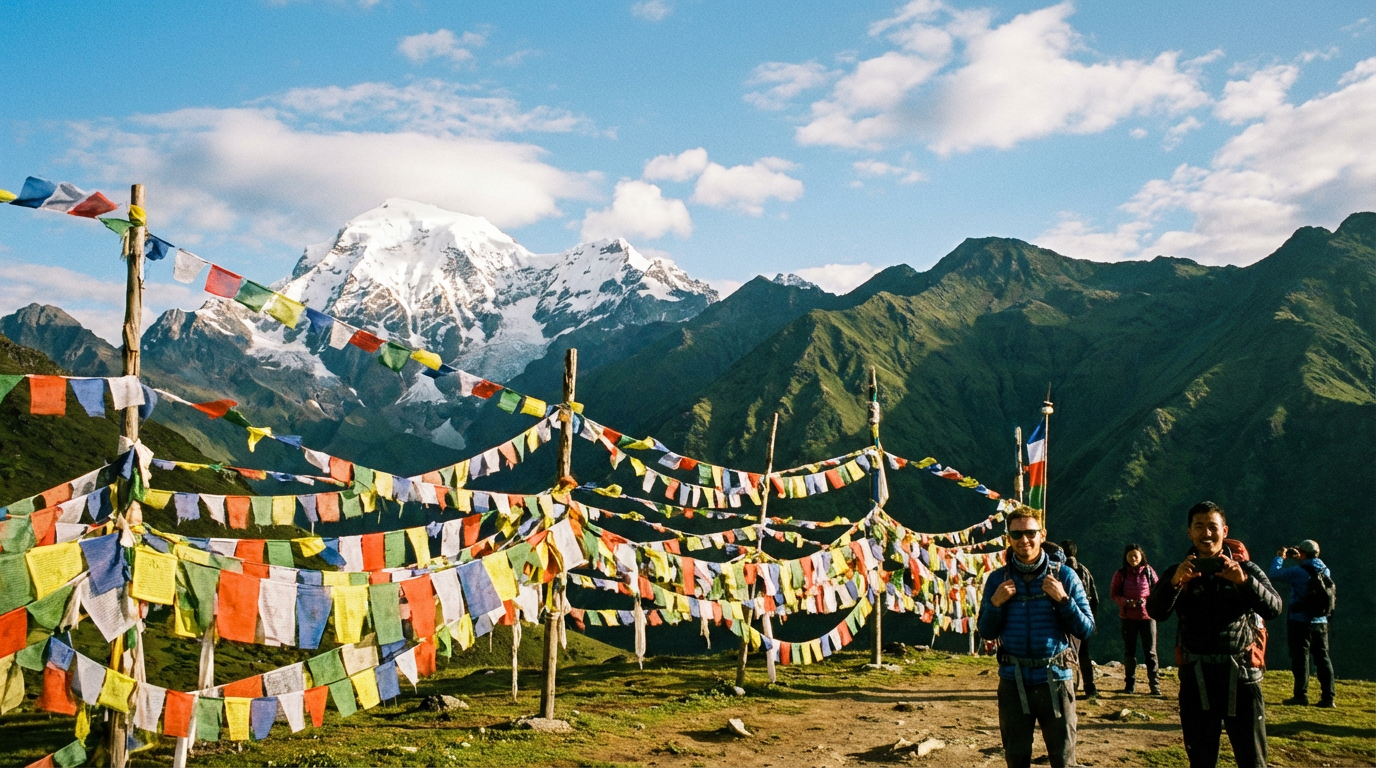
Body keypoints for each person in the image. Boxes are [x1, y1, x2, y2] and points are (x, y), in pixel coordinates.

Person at [1148, 501, 1282, 768]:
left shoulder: (1247, 569)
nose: (1206, 534)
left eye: (1212, 527)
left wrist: (1243, 581)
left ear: (1224, 530)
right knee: (1200, 759)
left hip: (1241, 677)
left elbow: (1274, 607)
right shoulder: (1178, 572)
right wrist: (1175, 582)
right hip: (1196, 678)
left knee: (1252, 759)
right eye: (1199, 527)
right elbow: (1155, 611)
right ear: (1189, 532)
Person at [979, 507, 1094, 768]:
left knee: (1063, 759)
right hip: (1012, 681)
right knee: (1016, 759)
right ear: (1008, 538)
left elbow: (1085, 629)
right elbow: (986, 631)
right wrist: (995, 604)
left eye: (1030, 532)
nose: (1024, 540)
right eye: (1016, 534)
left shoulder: (1065, 576)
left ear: (1042, 535)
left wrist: (1063, 600)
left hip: (1056, 679)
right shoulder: (998, 580)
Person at [1267, 540, 1336, 708]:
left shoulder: (1298, 571)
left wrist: (1280, 557)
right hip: (1321, 621)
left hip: (1300, 621)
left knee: (1301, 659)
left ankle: (1301, 696)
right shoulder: (1325, 569)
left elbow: (1274, 574)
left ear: (1303, 553)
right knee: (1323, 658)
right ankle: (1328, 697)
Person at [1110, 543, 1160, 695]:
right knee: (1129, 652)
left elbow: (1157, 591)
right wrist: (1126, 602)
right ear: (1126, 557)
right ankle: (1129, 685)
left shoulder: (1149, 572)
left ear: (1141, 556)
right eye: (1130, 555)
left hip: (1148, 617)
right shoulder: (1121, 574)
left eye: (1135, 555)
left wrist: (1145, 601)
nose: (1133, 558)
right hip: (1128, 618)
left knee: (1150, 653)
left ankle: (1155, 686)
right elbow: (1114, 594)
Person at [1059, 539, 1100, 698]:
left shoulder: (1059, 571)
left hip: (1065, 617)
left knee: (1066, 654)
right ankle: (1090, 688)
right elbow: (1095, 598)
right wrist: (1092, 621)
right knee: (1084, 654)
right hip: (1083, 617)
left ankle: (1069, 687)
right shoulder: (1084, 571)